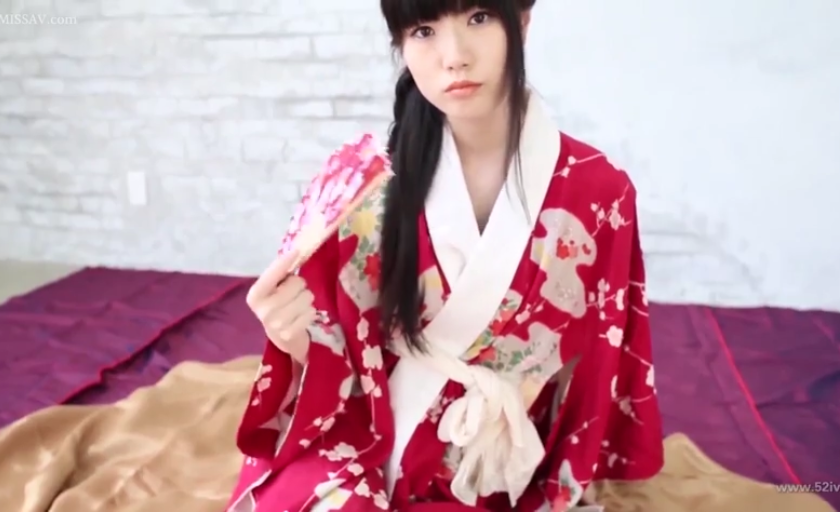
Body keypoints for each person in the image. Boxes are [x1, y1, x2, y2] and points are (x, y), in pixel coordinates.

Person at [226, 0, 664, 510]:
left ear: (521, 22)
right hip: (367, 433)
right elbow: (332, 354)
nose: (454, 56)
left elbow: (597, 365)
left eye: (478, 18)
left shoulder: (599, 192)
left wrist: (559, 480)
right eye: (424, 30)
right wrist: (290, 336)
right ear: (400, 44)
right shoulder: (359, 185)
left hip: (491, 458)